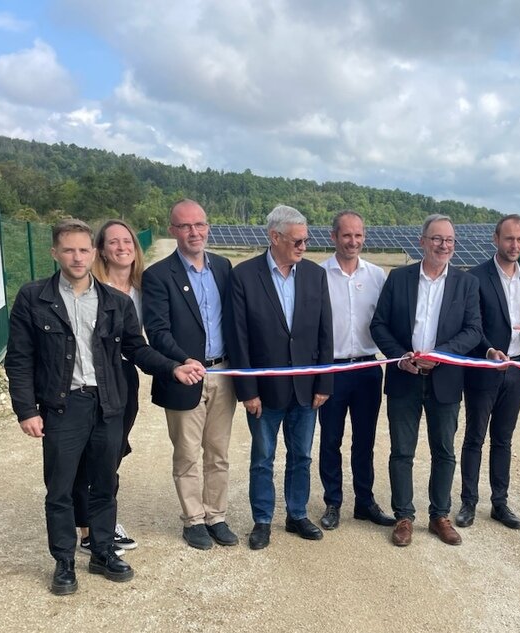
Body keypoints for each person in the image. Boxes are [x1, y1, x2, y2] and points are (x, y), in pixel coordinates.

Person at [6, 219, 204, 595]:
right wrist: (26, 410)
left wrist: (174, 367)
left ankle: (101, 551)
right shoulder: (34, 298)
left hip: (108, 404)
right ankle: (64, 561)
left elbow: (137, 348)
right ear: (55, 253)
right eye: (68, 250)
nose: (77, 257)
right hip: (63, 407)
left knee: (104, 483)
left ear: (93, 253)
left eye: (83, 250)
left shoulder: (116, 302)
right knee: (60, 488)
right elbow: (19, 358)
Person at [370, 214, 482, 547]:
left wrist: (442, 354)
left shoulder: (466, 284)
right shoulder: (399, 278)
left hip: (445, 379)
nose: (443, 245)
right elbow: (379, 325)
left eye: (449, 240)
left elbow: (473, 330)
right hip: (405, 377)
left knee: (444, 451)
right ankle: (404, 516)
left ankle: (440, 516)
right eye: (436, 239)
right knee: (402, 451)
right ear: (422, 241)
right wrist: (402, 355)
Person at [229, 205, 333, 551]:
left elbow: (324, 334)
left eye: (306, 240)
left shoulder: (316, 276)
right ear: (275, 237)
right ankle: (262, 520)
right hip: (264, 391)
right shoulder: (244, 276)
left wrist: (324, 382)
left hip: (306, 390)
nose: (304, 247)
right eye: (298, 241)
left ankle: (297, 513)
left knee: (301, 455)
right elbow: (239, 338)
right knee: (263, 458)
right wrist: (247, 390)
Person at [142, 199, 239, 551]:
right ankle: (193, 520)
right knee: (186, 453)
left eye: (199, 224)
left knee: (219, 452)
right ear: (173, 231)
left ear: (208, 226)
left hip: (224, 373)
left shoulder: (224, 268)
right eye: (184, 226)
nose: (193, 232)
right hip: (185, 375)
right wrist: (183, 360)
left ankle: (216, 515)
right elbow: (157, 330)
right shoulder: (157, 276)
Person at [454, 214, 520, 531]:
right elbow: (471, 326)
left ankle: (500, 503)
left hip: (517, 370)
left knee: (503, 439)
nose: (514, 245)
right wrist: (490, 349)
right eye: (509, 239)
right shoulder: (475, 277)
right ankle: (468, 503)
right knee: (475, 437)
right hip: (485, 369)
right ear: (496, 239)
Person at [317, 211, 396, 531]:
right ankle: (333, 502)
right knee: (330, 439)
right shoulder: (317, 274)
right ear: (333, 236)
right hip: (331, 369)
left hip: (367, 368)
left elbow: (388, 322)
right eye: (347, 235)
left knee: (364, 440)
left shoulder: (378, 276)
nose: (353, 242)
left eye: (358, 235)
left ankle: (364, 501)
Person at [71, 220, 147, 555]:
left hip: (125, 378)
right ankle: (88, 531)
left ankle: (101, 520)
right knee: (88, 455)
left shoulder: (144, 287)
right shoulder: (89, 286)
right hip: (89, 381)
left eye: (127, 241)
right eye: (113, 242)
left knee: (112, 452)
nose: (122, 247)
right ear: (101, 249)